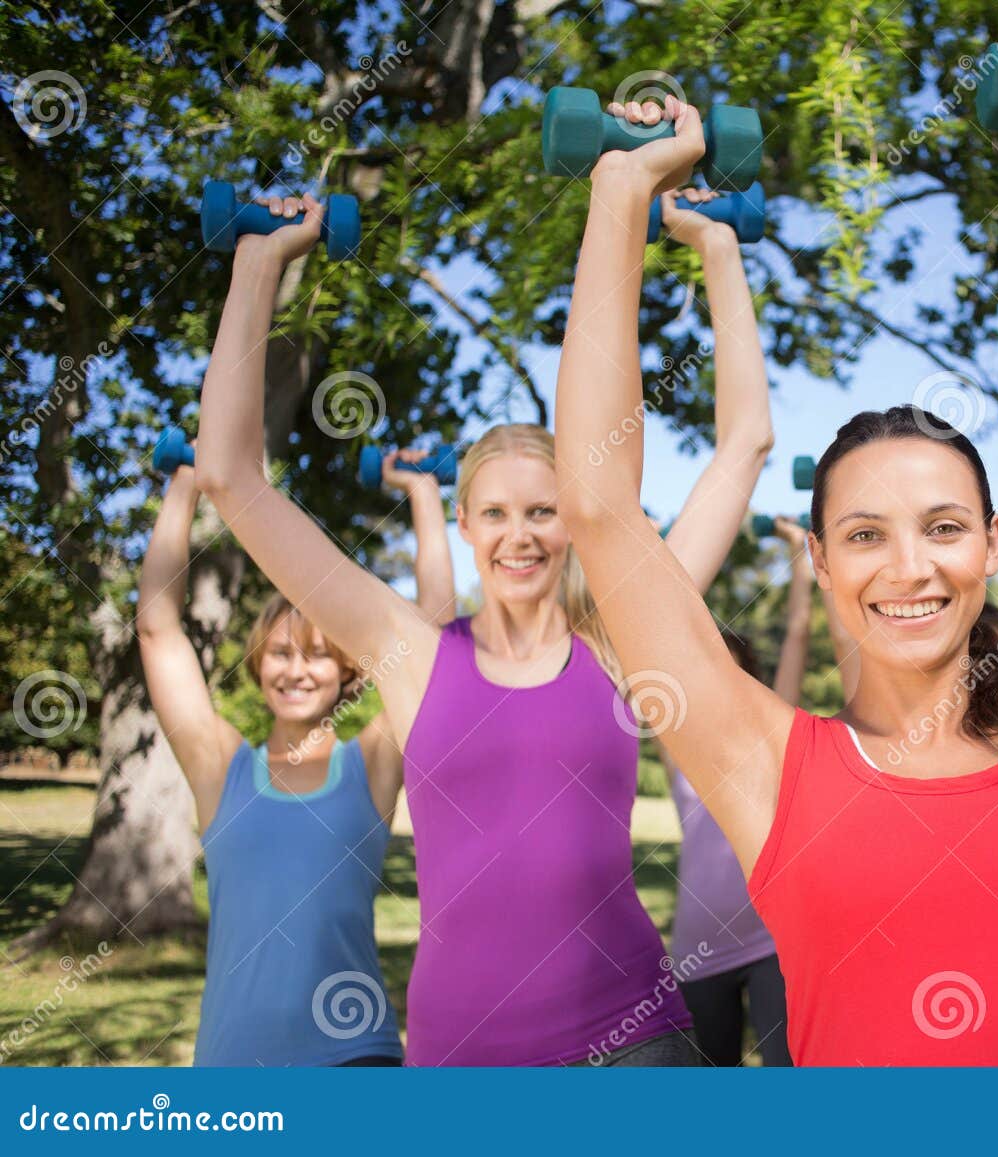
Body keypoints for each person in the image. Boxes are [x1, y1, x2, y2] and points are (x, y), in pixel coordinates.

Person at [552, 55, 998, 1065]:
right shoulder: (765, 764)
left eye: (944, 526)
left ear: (993, 543)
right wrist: (619, 192)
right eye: (866, 534)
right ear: (821, 563)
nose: (908, 566)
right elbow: (600, 507)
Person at [194, 183, 773, 1066]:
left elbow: (745, 446)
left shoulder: (620, 645)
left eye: (543, 511)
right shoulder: (409, 653)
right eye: (495, 513)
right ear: (463, 523)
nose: (519, 535)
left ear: (573, 520)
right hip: (462, 1051)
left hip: (633, 1042)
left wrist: (716, 248)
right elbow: (234, 477)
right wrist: (260, 261)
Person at [136, 453, 437, 1066]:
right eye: (280, 653)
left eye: (318, 655)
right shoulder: (219, 766)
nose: (297, 670)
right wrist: (189, 484)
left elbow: (431, 634)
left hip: (355, 1060)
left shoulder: (370, 767)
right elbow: (157, 628)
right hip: (232, 1066)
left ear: (349, 670)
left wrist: (423, 492)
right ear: (257, 663)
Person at [666, 515, 813, 1067]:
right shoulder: (674, 740)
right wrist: (653, 556)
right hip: (698, 949)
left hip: (772, 940)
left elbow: (797, 632)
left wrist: (799, 552)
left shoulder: (775, 736)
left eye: (729, 674)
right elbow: (659, 636)